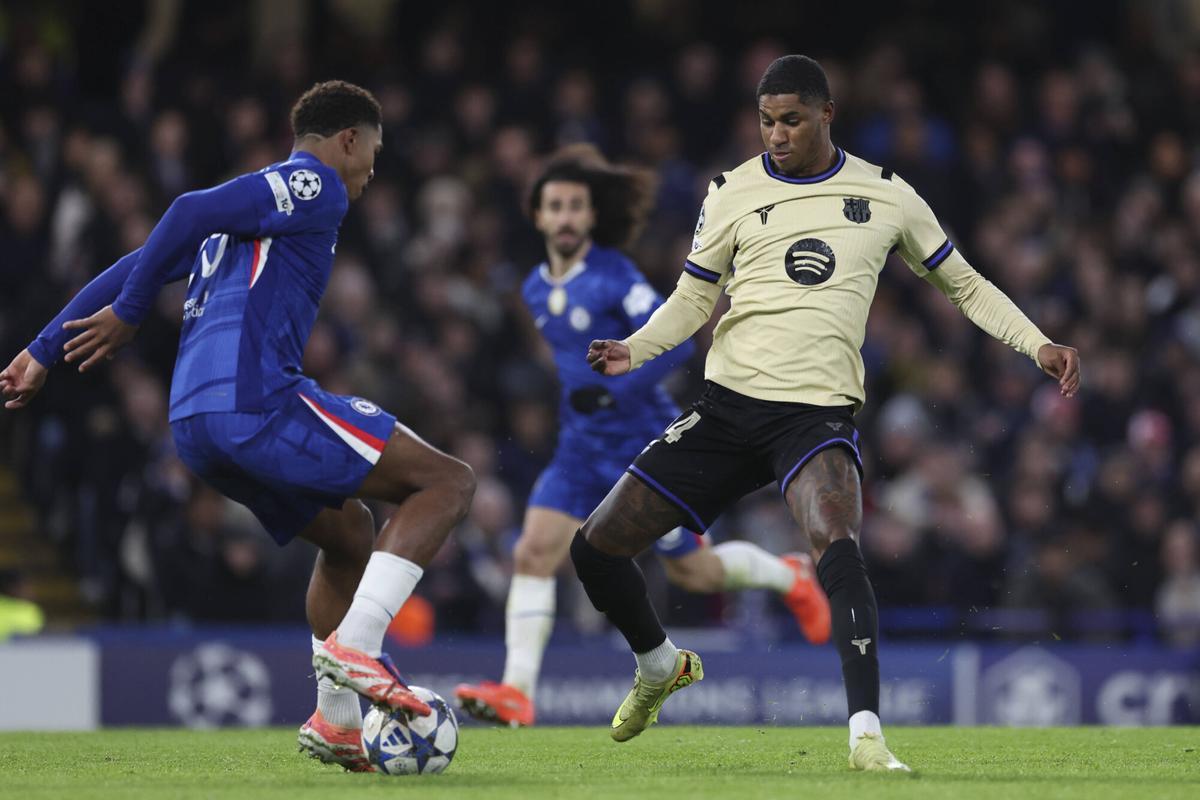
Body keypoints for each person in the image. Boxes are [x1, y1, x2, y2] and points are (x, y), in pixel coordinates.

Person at [578, 55, 1081, 770]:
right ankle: (660, 665)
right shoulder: (729, 191)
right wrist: (636, 348)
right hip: (725, 409)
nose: (776, 135)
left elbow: (965, 287)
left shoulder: (886, 195)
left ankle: (867, 737)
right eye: (766, 121)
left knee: (837, 542)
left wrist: (1038, 344)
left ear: (825, 115)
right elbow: (694, 297)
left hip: (813, 417)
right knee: (592, 549)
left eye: (789, 121)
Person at [0, 81, 476, 771]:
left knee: (348, 533)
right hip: (255, 403)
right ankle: (359, 648)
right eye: (372, 153)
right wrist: (133, 313)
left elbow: (145, 258)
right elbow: (184, 209)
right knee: (447, 482)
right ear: (347, 139)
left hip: (194, 424)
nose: (372, 171)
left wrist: (42, 350)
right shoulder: (314, 186)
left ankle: (338, 722)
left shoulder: (251, 212)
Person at [455, 146, 830, 727]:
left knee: (691, 572)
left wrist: (611, 391)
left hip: (642, 442)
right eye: (554, 206)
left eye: (576, 206)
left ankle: (789, 574)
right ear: (537, 216)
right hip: (581, 449)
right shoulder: (533, 287)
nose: (565, 217)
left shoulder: (615, 277)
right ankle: (517, 692)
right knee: (532, 552)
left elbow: (677, 343)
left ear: (591, 217)